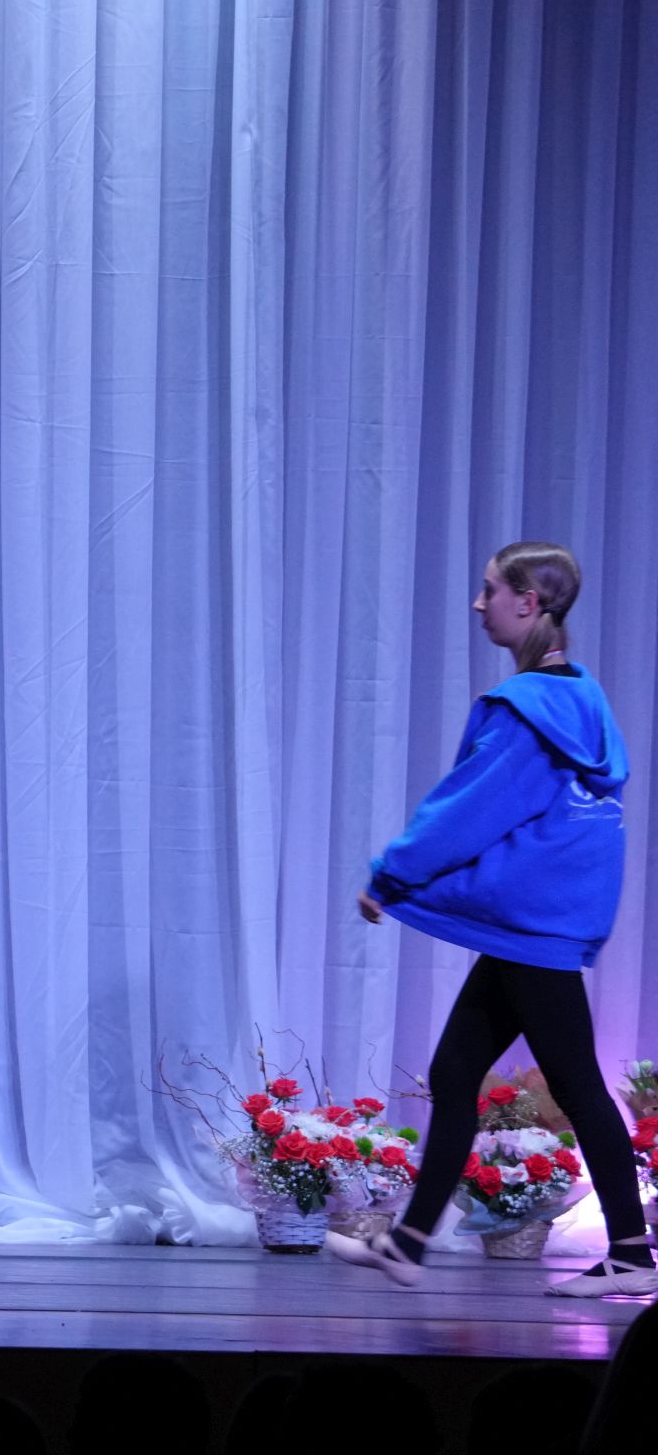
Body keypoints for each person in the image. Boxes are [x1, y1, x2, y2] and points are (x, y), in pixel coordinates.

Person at [333, 542, 653, 1298]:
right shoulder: (580, 696)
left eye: (490, 591)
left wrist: (392, 875)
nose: (480, 605)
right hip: (537, 922)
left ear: (528, 602)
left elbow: (468, 807)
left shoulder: (527, 711)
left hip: (533, 928)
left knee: (576, 1084)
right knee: (455, 1073)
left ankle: (632, 1255)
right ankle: (409, 1241)